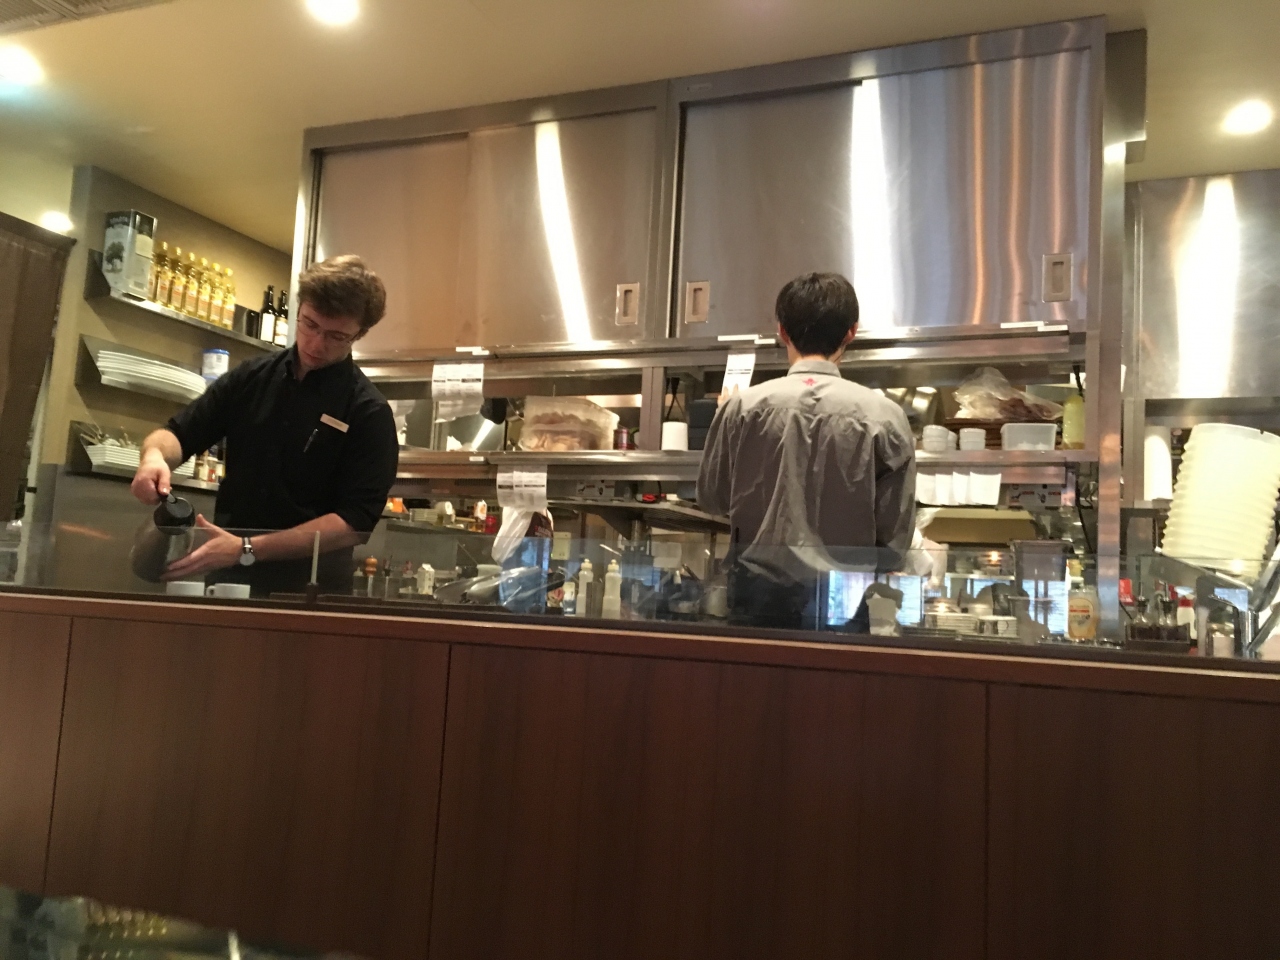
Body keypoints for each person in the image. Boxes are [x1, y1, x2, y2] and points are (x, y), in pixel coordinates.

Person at [130, 255, 399, 596]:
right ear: (300, 309)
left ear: (359, 333)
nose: (316, 343)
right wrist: (154, 457)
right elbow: (178, 434)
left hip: (310, 591)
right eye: (310, 324)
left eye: (336, 336)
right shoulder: (250, 378)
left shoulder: (368, 411)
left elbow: (353, 521)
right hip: (229, 581)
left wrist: (247, 548)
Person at [697, 272, 916, 629]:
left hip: (757, 598)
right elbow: (895, 538)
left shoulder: (740, 408)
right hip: (845, 598)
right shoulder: (886, 416)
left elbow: (713, 499)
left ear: (782, 331)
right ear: (851, 332)